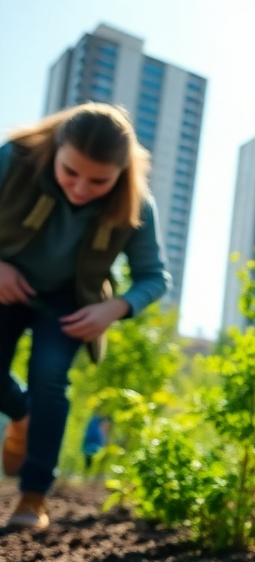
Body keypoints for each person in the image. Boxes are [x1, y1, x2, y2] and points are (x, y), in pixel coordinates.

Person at [1, 104, 168, 530]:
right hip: (7, 282)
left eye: (99, 181)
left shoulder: (137, 205)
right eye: (70, 172)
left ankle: (34, 497)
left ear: (121, 174)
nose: (79, 188)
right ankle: (22, 416)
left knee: (50, 377)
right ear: (56, 149)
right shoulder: (13, 158)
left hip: (71, 303)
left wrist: (114, 308)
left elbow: (154, 276)